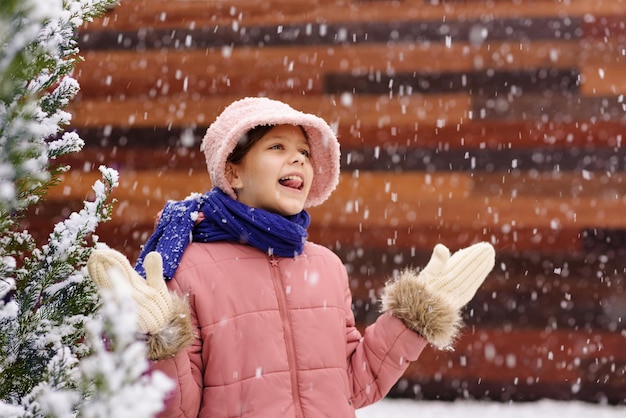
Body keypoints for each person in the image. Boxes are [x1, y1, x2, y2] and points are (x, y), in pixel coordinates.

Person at [87, 97, 496, 417]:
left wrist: (415, 317)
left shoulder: (326, 268)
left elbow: (354, 385)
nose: (298, 158)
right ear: (233, 172)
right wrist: (157, 341)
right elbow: (178, 410)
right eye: (277, 146)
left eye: (303, 151)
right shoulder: (190, 270)